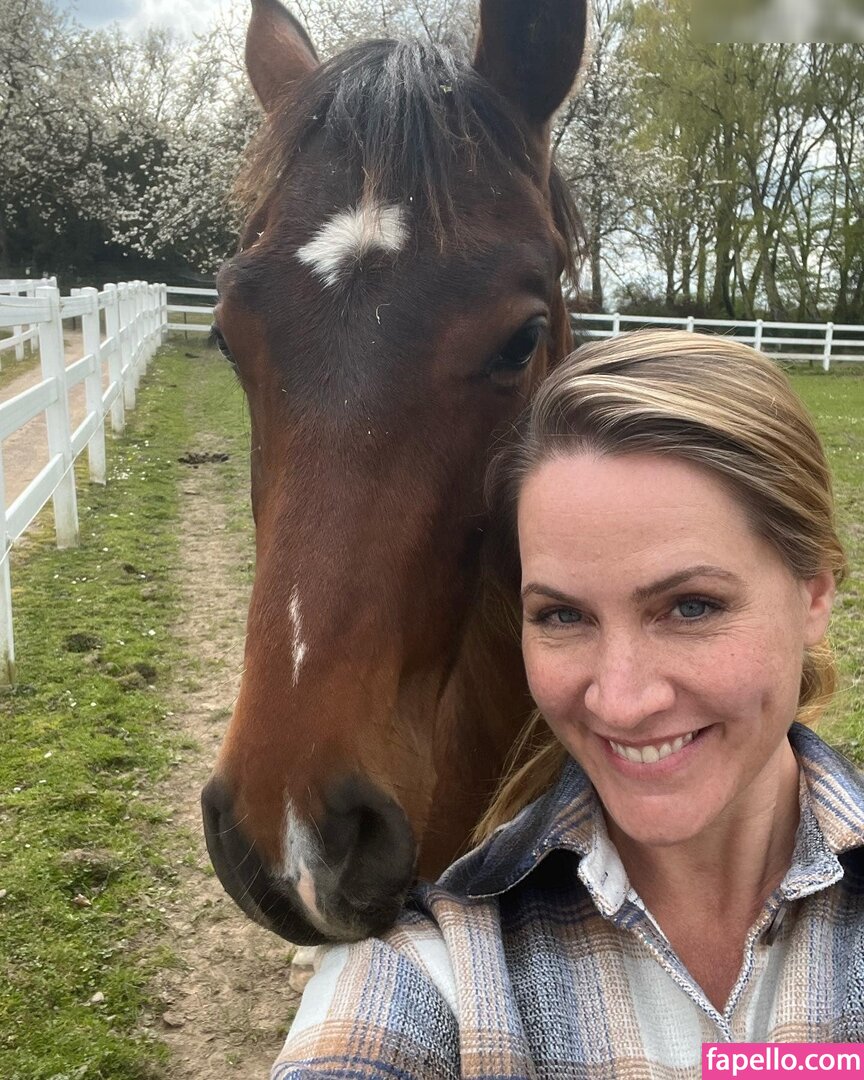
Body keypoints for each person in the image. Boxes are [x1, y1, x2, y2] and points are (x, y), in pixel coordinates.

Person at [271, 330, 864, 1079]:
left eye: (691, 606)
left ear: (814, 596)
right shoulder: (435, 970)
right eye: (562, 615)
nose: (621, 701)